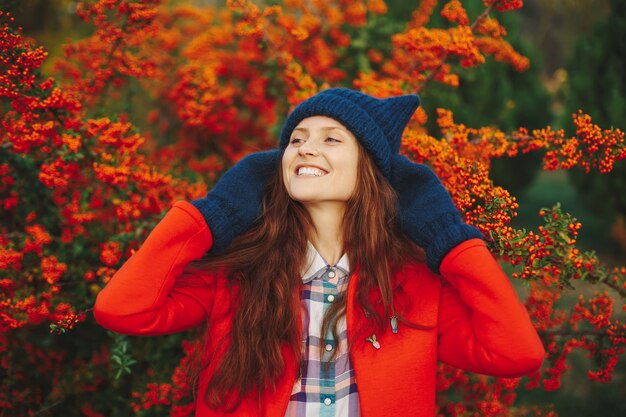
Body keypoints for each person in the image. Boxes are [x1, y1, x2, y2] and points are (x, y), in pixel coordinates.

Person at [94, 88, 545, 417]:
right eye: (296, 139)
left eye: (331, 138)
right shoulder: (239, 274)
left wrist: (449, 238)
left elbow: (516, 354)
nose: (306, 146)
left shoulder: (413, 284)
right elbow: (123, 310)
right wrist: (213, 215)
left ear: (369, 170)